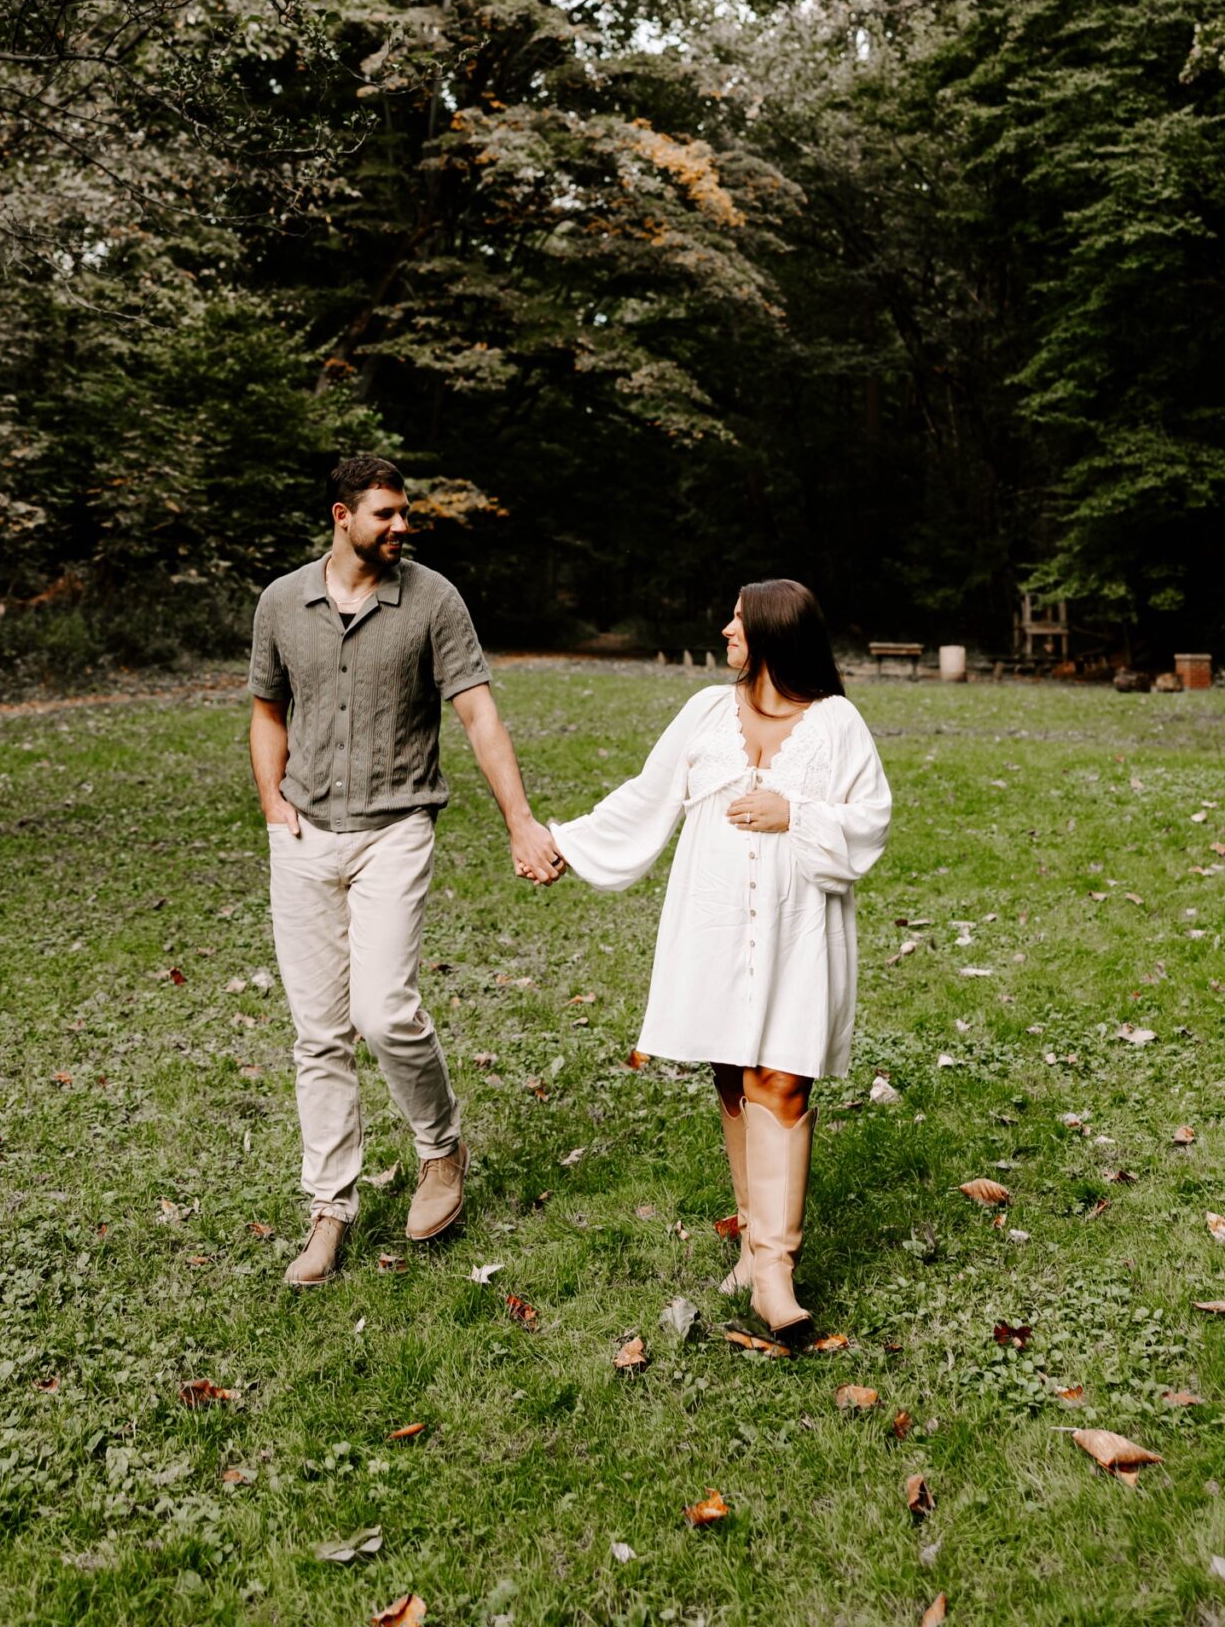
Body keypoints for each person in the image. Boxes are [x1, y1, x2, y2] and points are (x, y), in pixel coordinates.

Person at [247, 453, 563, 1288]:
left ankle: (440, 1146)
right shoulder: (282, 601)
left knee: (383, 1013)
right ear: (341, 515)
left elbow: (478, 713)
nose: (401, 527)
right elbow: (266, 709)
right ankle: (328, 1211)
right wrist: (274, 807)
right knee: (319, 1034)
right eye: (384, 514)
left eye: (404, 514)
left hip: (396, 830)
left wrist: (520, 821)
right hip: (307, 836)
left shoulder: (433, 600)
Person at [548, 580, 891, 1350]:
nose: (727, 627)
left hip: (798, 929)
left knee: (784, 1080)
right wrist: (563, 844)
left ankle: (775, 1273)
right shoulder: (707, 709)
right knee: (735, 1073)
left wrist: (794, 812)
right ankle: (748, 1249)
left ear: (774, 629)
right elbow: (648, 797)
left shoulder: (836, 723)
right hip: (710, 925)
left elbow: (871, 821)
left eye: (740, 617)